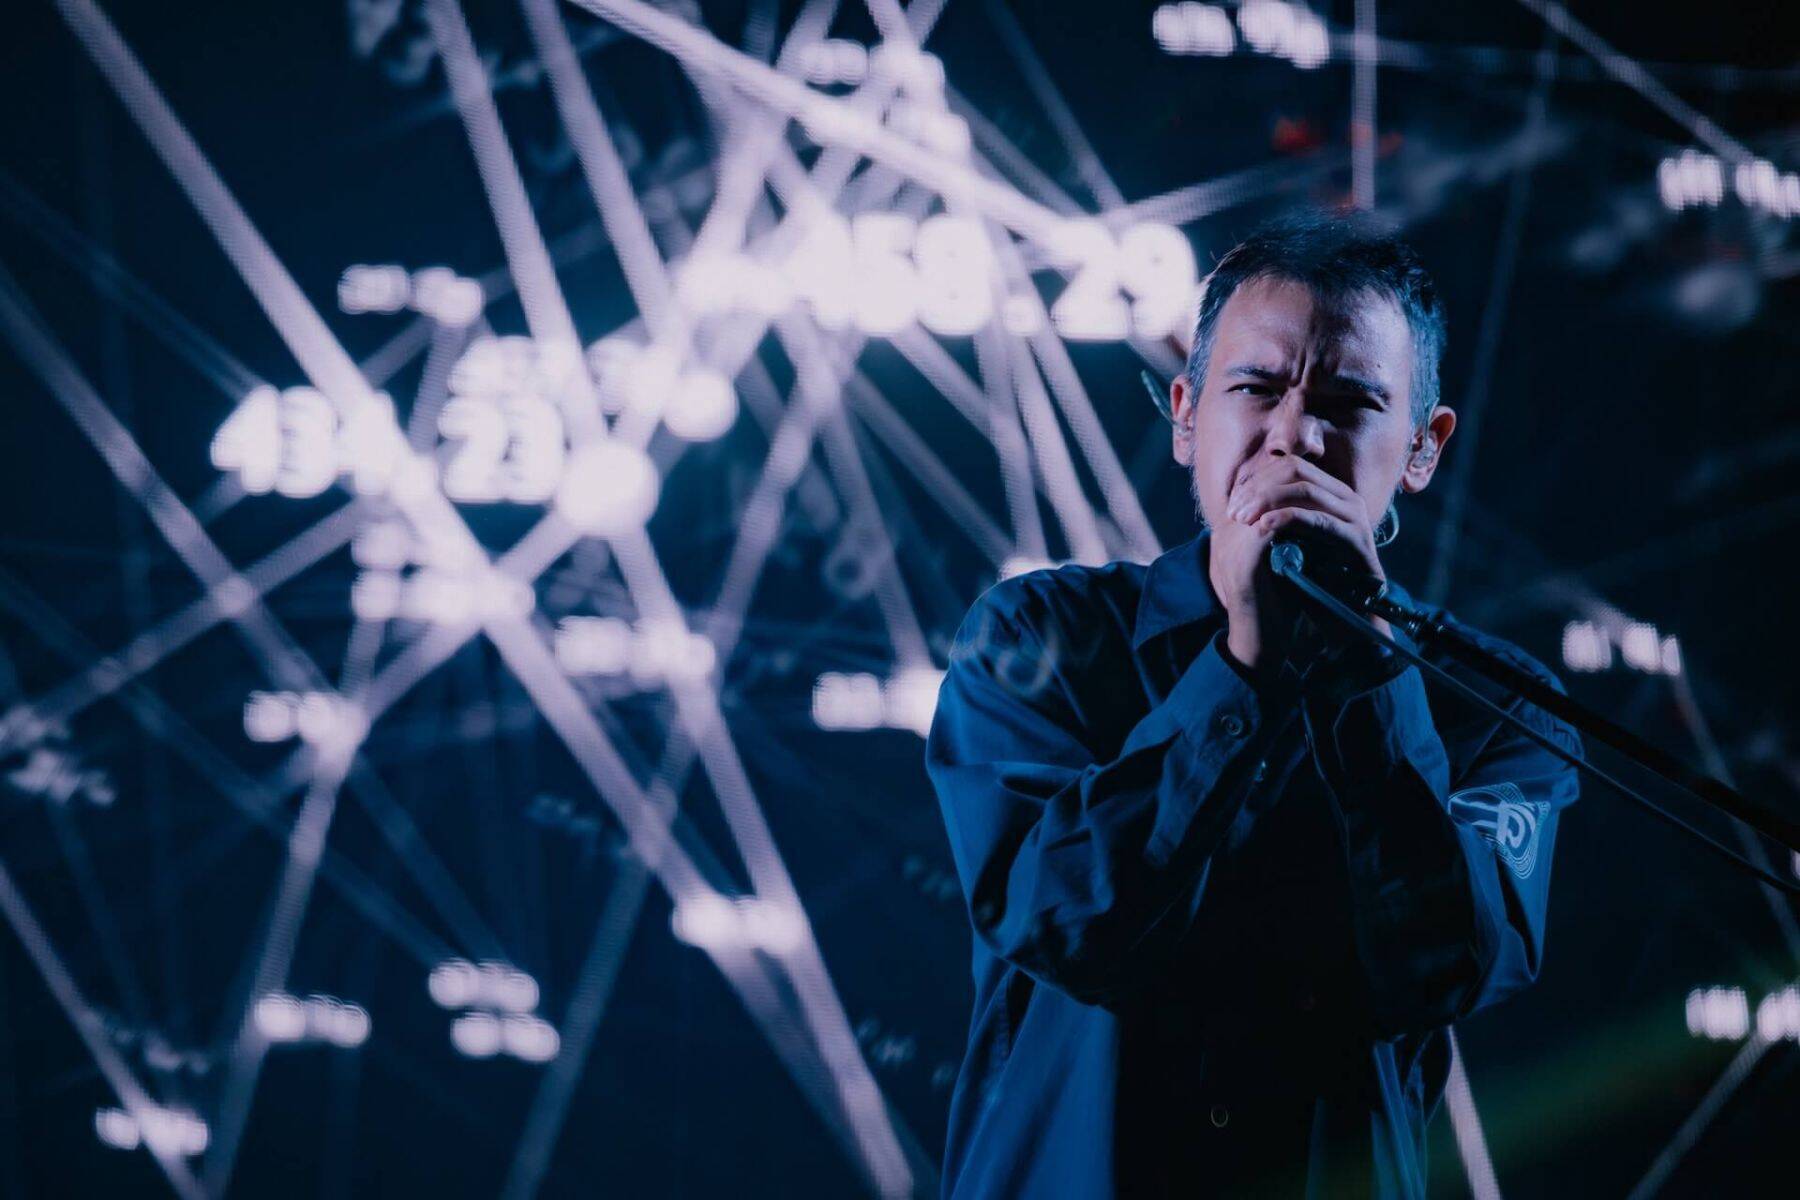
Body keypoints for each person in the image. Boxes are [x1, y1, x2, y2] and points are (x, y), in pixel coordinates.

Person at [925, 215, 1584, 1199]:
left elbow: (1455, 965)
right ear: (1187, 416)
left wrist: (1368, 684)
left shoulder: (1492, 706)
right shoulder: (1039, 638)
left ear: (1421, 447)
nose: (1295, 436)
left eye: (1351, 403)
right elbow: (1059, 921)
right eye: (1256, 389)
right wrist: (1243, 667)